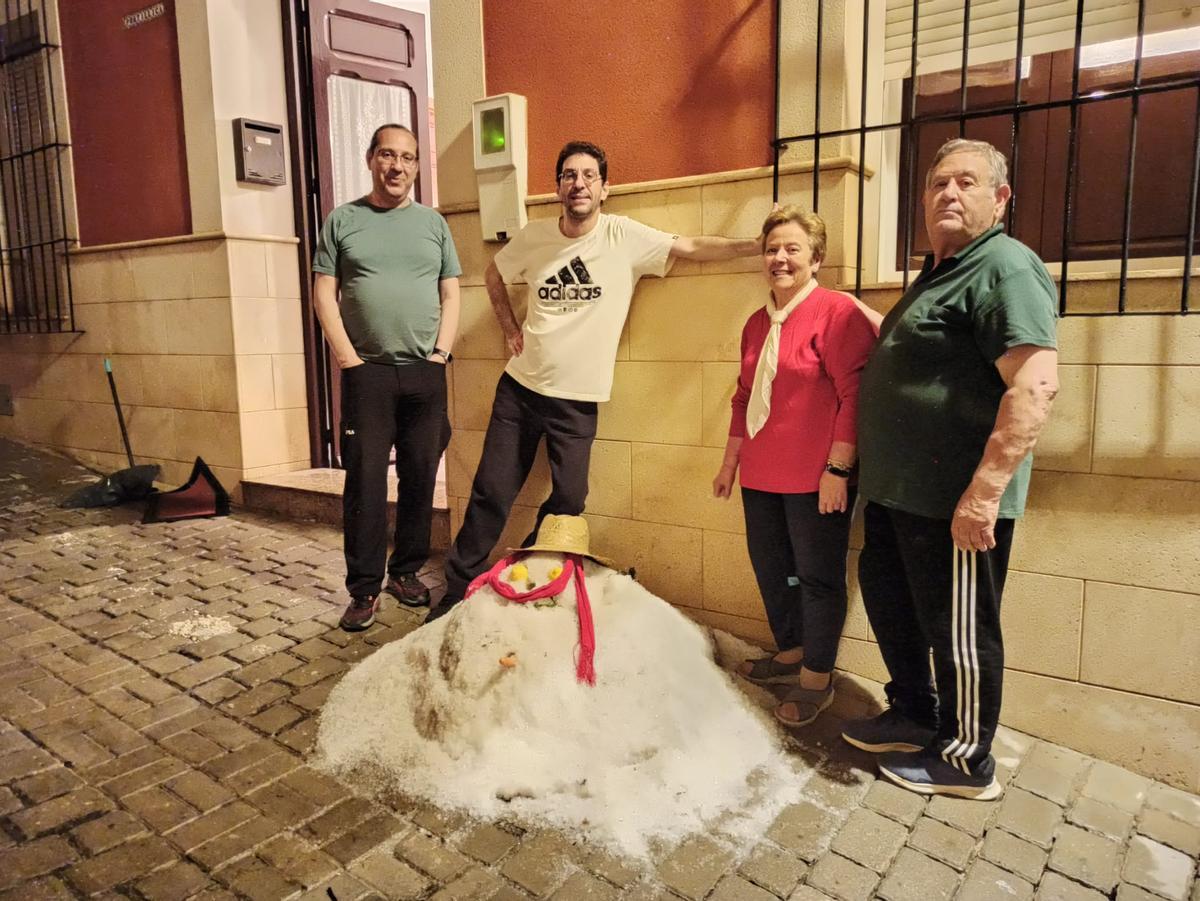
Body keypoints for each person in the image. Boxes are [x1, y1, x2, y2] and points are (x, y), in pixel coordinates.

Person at [429, 140, 759, 621]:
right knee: (491, 494)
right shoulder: (536, 236)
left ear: (604, 188)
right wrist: (507, 326)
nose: (577, 183)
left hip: (576, 402)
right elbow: (495, 273)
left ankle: (519, 570)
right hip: (519, 393)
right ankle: (455, 591)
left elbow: (689, 247)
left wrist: (753, 245)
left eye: (588, 175)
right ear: (559, 186)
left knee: (569, 502)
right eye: (568, 175)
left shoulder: (623, 237)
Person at [843, 138, 1059, 799]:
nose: (948, 193)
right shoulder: (942, 270)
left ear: (1000, 198)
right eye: (938, 183)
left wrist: (983, 493)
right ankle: (915, 712)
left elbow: (1035, 386)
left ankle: (966, 762)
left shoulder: (1005, 267)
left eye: (967, 183)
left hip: (951, 502)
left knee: (958, 630)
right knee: (896, 611)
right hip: (897, 493)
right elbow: (936, 353)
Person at [712, 206, 878, 728]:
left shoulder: (837, 313)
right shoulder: (756, 323)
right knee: (772, 570)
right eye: (771, 249)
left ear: (817, 259)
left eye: (792, 249)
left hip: (815, 479)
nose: (779, 259)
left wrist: (838, 469)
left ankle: (815, 678)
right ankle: (789, 651)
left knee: (817, 578)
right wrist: (729, 463)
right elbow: (743, 398)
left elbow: (855, 395)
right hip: (762, 475)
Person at [312, 123, 462, 632]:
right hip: (368, 375)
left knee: (421, 476)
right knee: (366, 482)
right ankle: (363, 589)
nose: (397, 166)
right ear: (371, 159)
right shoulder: (343, 221)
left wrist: (441, 354)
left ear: (417, 166)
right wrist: (349, 361)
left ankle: (405, 572)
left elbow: (451, 294)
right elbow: (323, 294)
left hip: (425, 373)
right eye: (388, 155)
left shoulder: (434, 225)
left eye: (408, 158)